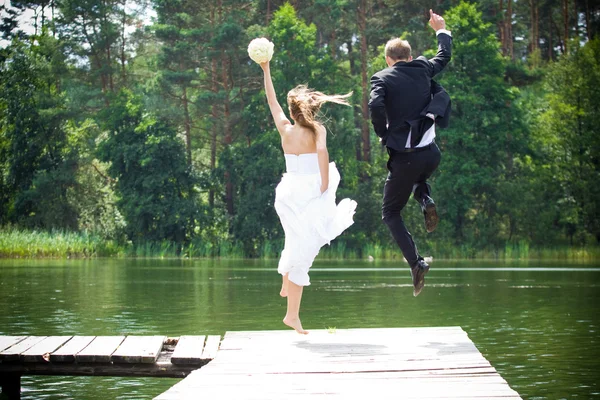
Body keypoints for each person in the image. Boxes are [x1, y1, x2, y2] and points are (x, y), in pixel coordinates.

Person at [259, 60, 357, 334]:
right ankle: (292, 313)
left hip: (287, 192)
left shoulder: (285, 129)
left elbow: (271, 101)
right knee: (306, 249)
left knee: (297, 241)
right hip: (309, 189)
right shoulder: (317, 131)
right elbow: (323, 154)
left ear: (292, 111)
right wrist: (325, 184)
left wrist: (266, 70)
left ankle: (286, 276)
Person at [368, 10, 452, 297]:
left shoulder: (382, 77)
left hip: (405, 157)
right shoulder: (424, 68)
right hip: (431, 154)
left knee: (390, 213)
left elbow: (375, 106)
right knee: (417, 178)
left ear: (388, 59)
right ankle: (425, 197)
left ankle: (417, 264)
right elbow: (444, 56)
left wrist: (382, 132)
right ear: (409, 54)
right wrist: (441, 29)